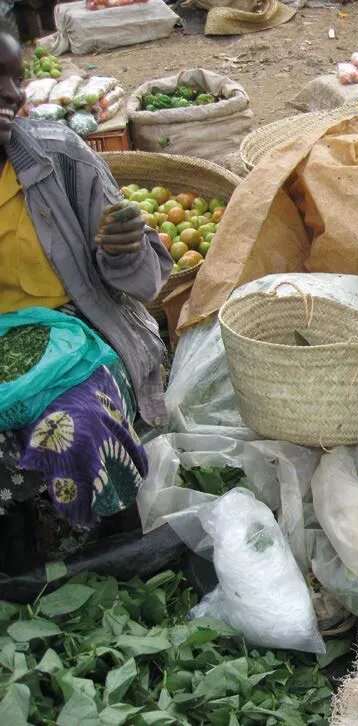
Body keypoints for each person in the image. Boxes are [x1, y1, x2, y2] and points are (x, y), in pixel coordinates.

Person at [0, 21, 172, 537]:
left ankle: (114, 545)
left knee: (74, 428)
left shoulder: (59, 157)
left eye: (15, 78)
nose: (11, 94)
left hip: (83, 335)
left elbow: (142, 282)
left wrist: (122, 251)